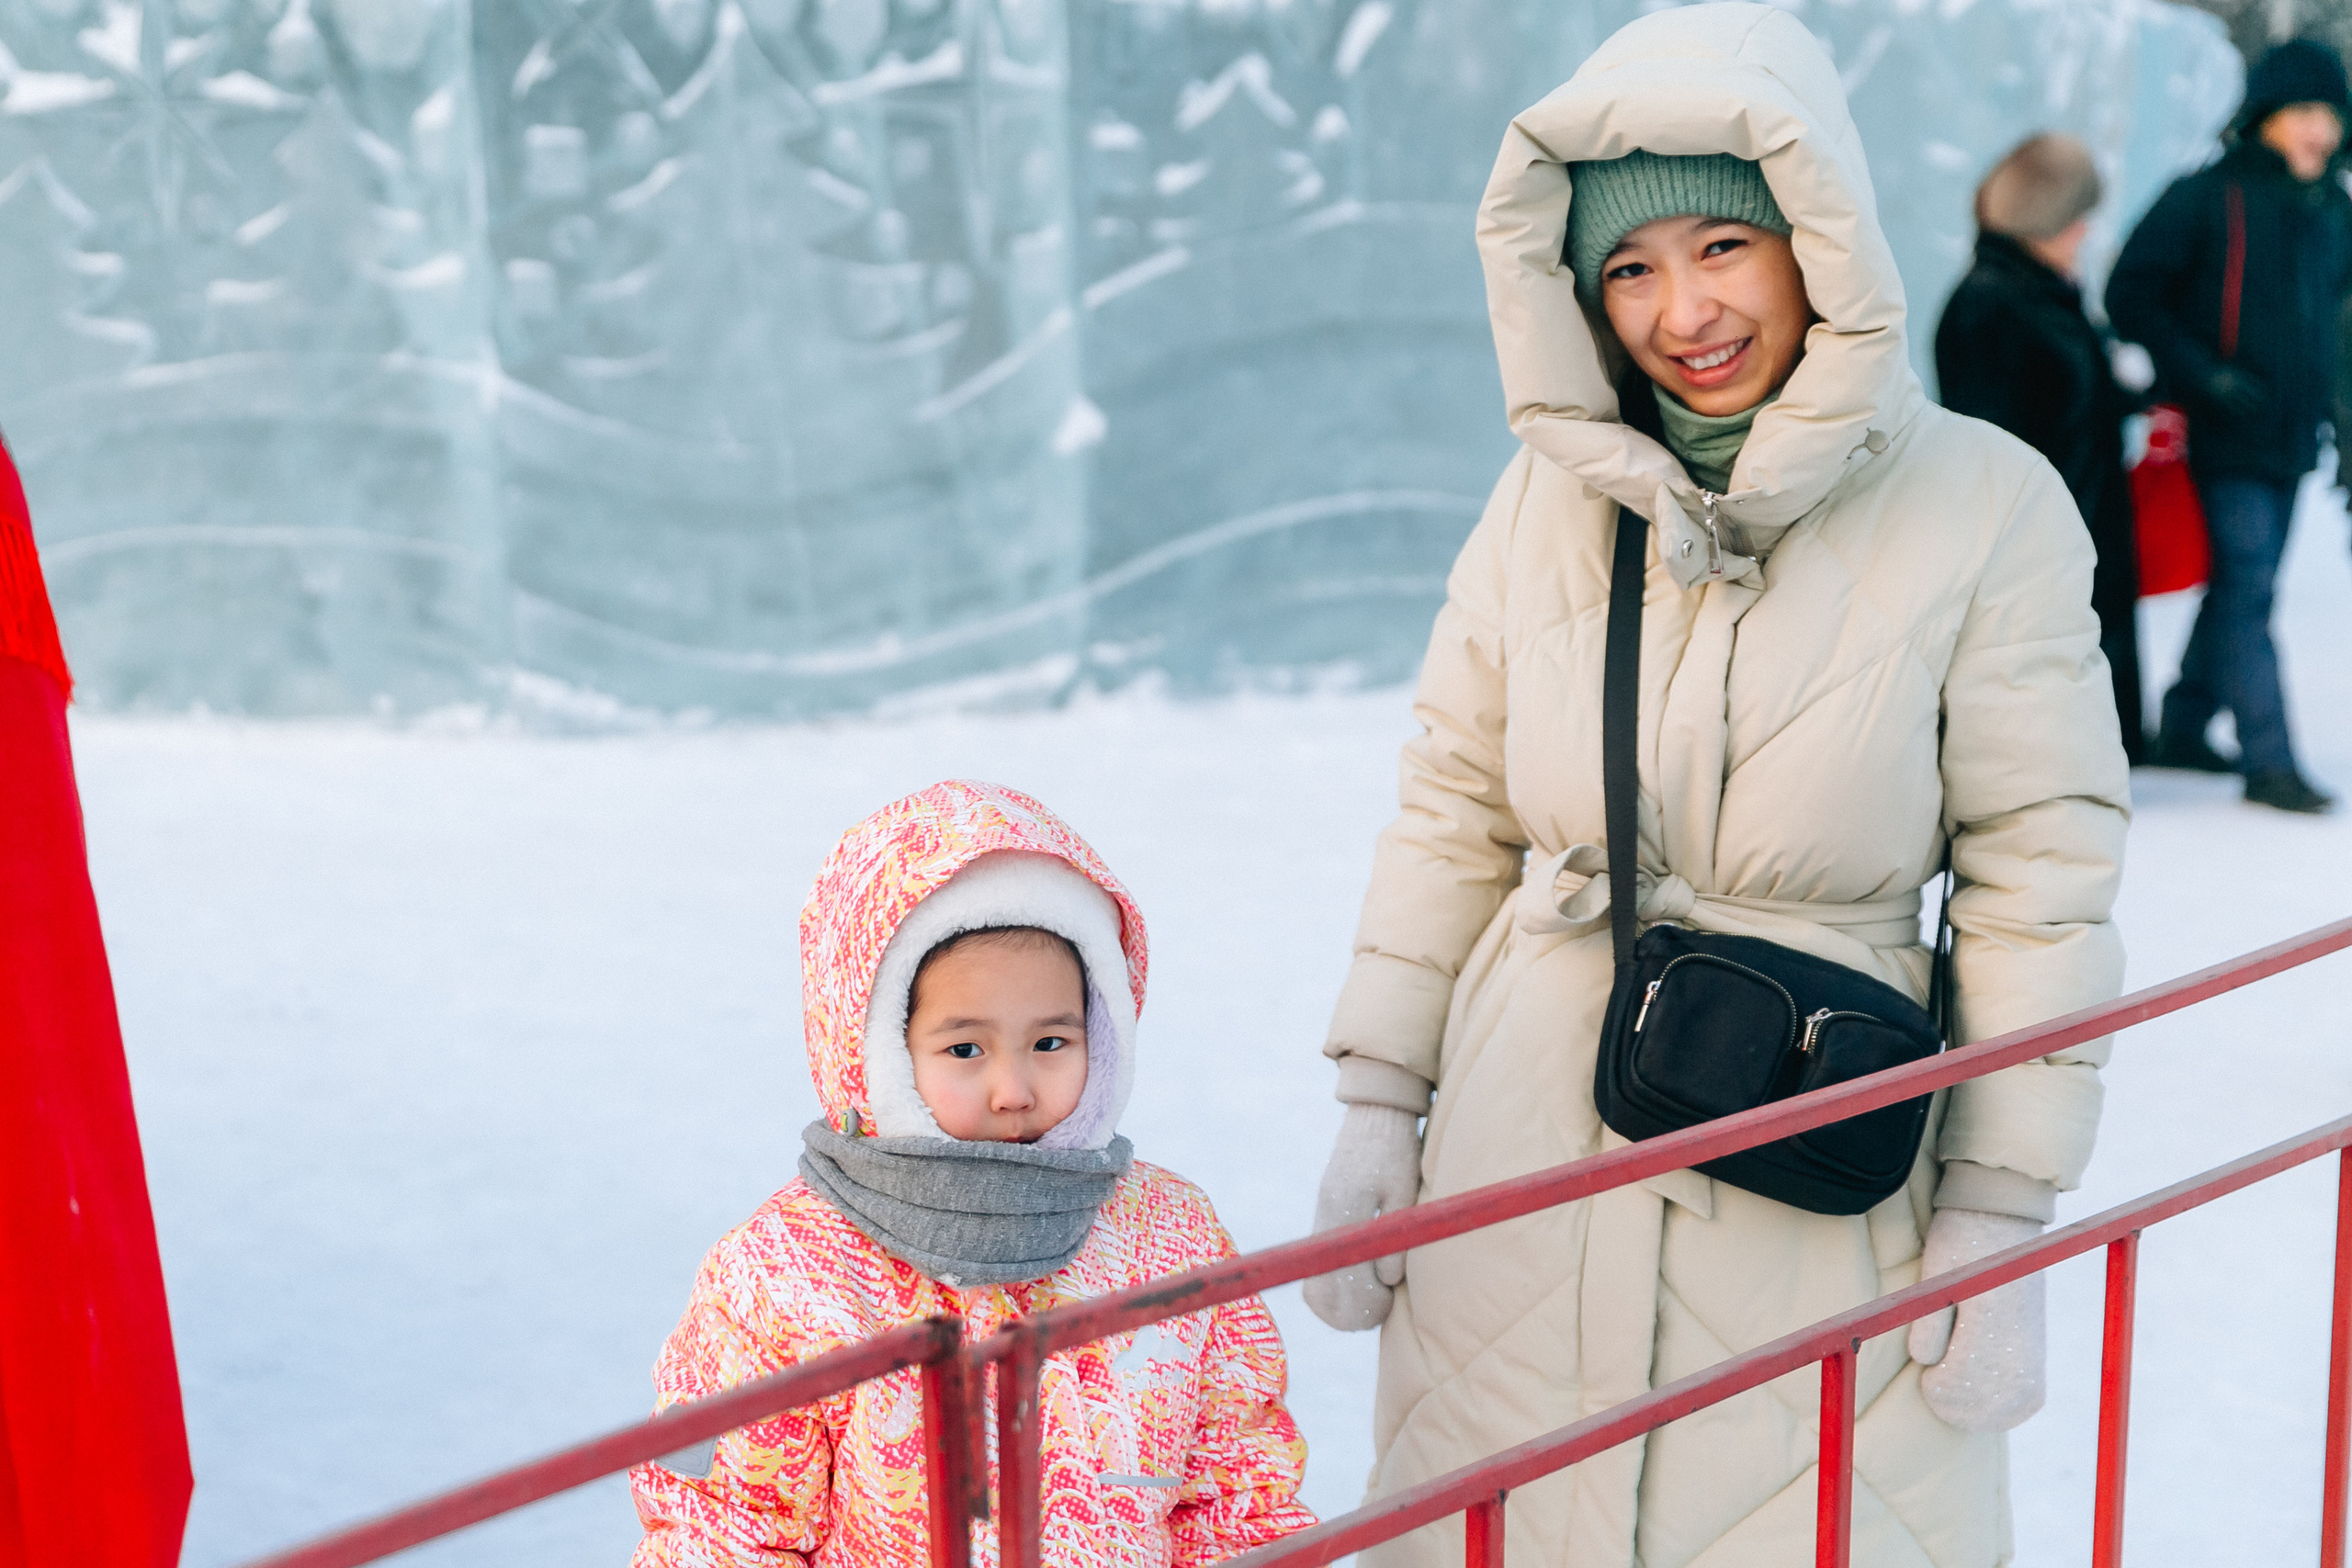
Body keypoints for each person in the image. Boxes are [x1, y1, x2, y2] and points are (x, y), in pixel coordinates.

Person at [1300, 6, 2129, 1564]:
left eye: (1724, 246)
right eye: (1628, 268)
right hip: (1519, 1161)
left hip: (1820, 1162)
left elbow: (2043, 868)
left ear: (1816, 235)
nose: (1682, 309)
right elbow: (1454, 803)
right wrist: (1375, 1104)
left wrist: (2000, 1210)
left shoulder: (1987, 506)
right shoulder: (1545, 495)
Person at [628, 780, 1314, 1567]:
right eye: (965, 1049)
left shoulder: (1169, 1235)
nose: (1013, 1089)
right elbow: (723, 1531)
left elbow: (1235, 1493)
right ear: (879, 1050)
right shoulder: (786, 1277)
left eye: (1051, 1042)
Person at [2107, 38, 2352, 813]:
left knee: (2245, 584)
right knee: (2249, 587)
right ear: (2266, 116)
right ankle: (2269, 758)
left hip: (2289, 432)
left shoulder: (2335, 209)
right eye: (2304, 111)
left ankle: (2183, 726)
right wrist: (2201, 374)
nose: (2321, 130)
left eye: (2332, 114)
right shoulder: (2209, 195)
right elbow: (2131, 291)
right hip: (2218, 432)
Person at [1938, 133, 2146, 764]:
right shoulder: (1989, 306)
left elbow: (2077, 391)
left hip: (2082, 524)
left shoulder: (2047, 293)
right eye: (2074, 219)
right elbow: (1989, 438)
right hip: (2042, 543)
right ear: (2041, 220)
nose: (2084, 233)